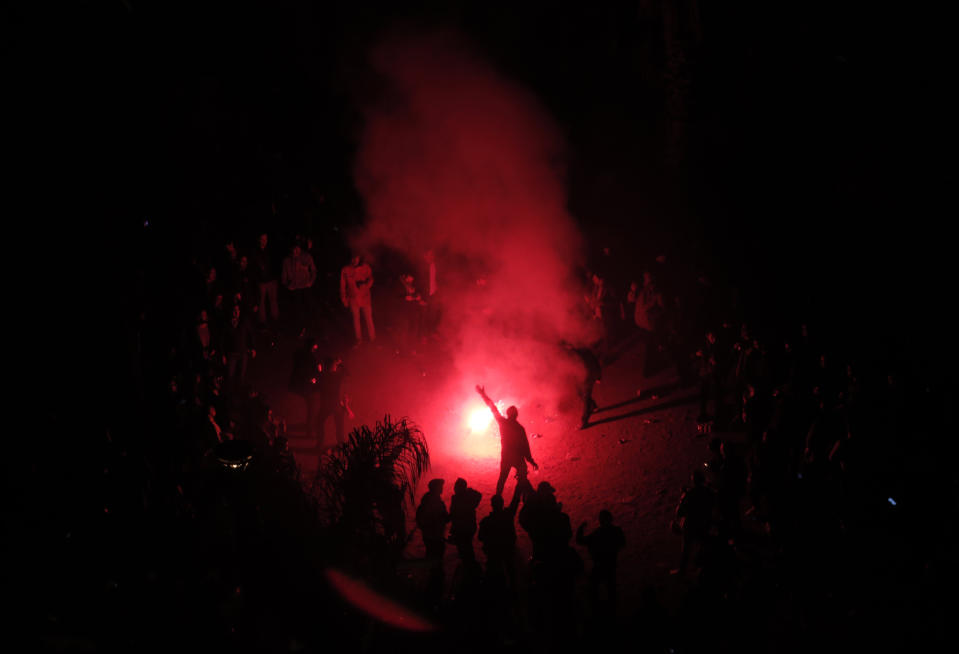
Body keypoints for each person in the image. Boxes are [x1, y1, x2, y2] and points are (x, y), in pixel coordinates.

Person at [475, 385, 539, 498]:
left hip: (506, 457)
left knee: (502, 479)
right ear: (516, 415)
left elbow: (492, 407)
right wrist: (530, 460)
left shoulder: (502, 422)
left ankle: (497, 498)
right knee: (522, 477)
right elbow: (525, 447)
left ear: (508, 414)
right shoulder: (520, 428)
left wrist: (483, 395)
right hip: (517, 458)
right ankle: (524, 496)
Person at [576, 509, 626, 617]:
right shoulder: (617, 531)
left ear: (600, 520)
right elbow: (622, 543)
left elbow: (580, 540)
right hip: (611, 564)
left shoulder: (597, 534)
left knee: (593, 588)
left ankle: (597, 612)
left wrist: (581, 528)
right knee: (611, 588)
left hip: (599, 565)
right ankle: (612, 612)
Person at [416, 478, 450, 606]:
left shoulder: (427, 501)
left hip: (429, 536)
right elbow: (442, 518)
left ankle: (431, 582)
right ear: (436, 488)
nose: (442, 489)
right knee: (436, 559)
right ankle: (434, 588)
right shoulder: (435, 502)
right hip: (435, 536)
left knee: (432, 556)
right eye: (440, 486)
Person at [340, 254, 375, 346]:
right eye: (352, 257)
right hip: (353, 298)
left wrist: (365, 285)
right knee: (356, 319)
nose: (354, 260)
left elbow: (371, 279)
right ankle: (358, 340)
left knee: (368, 318)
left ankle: (373, 339)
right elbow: (343, 286)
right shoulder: (345, 270)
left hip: (365, 298)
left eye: (356, 257)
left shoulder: (365, 267)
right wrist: (344, 299)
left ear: (359, 258)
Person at [564, 342, 602, 428]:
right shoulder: (570, 354)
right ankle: (593, 406)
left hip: (589, 376)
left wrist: (598, 376)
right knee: (579, 393)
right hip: (580, 377)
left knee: (586, 398)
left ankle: (584, 421)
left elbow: (594, 361)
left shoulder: (583, 351)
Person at [289, 337, 320, 439]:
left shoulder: (302, 355)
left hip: (302, 384)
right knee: (312, 407)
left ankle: (309, 427)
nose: (317, 347)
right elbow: (305, 371)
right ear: (312, 346)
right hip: (305, 386)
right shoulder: (309, 357)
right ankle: (309, 431)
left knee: (313, 407)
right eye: (315, 345)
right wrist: (312, 378)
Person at [281, 242, 317, 334]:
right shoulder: (287, 260)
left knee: (308, 307)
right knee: (297, 310)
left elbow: (313, 270)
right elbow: (284, 276)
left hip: (305, 287)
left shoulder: (306, 257)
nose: (296, 251)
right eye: (294, 249)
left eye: (298, 248)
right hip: (295, 289)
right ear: (291, 249)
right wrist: (287, 285)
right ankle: (300, 328)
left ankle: (310, 327)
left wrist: (311, 282)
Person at [448, 478, 483, 565]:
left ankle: (469, 565)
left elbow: (453, 514)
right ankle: (469, 563)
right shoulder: (469, 496)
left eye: (456, 486)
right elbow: (478, 495)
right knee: (467, 546)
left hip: (462, 528)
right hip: (469, 526)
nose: (454, 488)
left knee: (464, 547)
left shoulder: (457, 499)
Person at [252, 233, 279, 327]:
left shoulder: (270, 251)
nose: (264, 241)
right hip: (261, 281)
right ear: (259, 240)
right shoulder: (255, 252)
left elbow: (274, 263)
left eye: (265, 239)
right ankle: (262, 322)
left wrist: (275, 277)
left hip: (271, 280)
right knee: (261, 302)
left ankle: (275, 319)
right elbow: (255, 267)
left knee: (273, 300)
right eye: (262, 239)